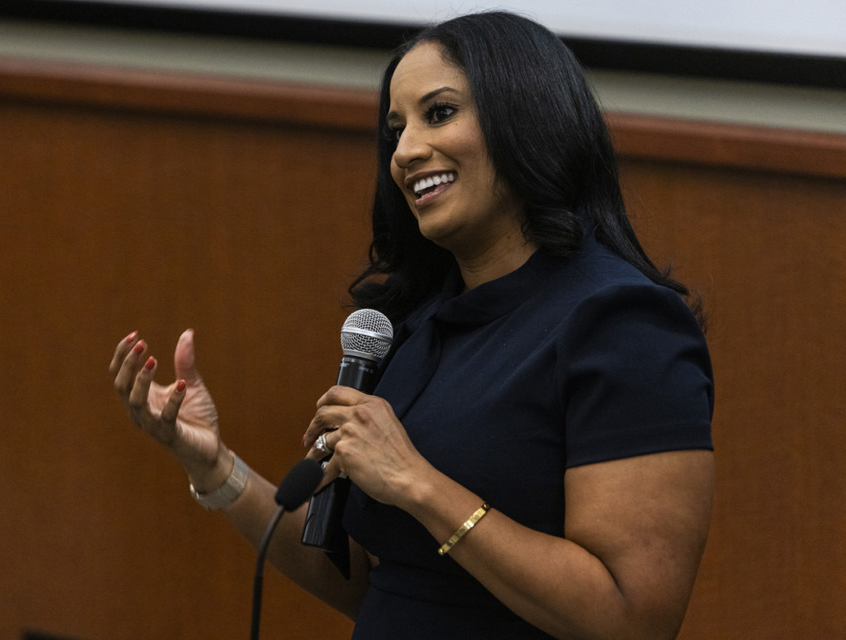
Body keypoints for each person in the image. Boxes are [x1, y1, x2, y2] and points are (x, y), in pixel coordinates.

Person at [110, 11, 714, 640]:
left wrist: (416, 483)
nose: (404, 151)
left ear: (528, 117)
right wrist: (214, 466)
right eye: (394, 129)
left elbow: (632, 619)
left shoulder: (623, 323)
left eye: (440, 113)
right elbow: (378, 584)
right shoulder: (416, 326)